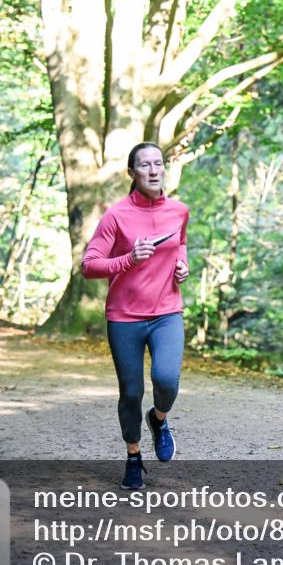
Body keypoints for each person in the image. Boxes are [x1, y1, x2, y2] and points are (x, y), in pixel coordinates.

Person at [82, 142, 190, 490]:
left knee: (167, 380)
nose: (154, 170)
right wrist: (128, 259)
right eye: (145, 165)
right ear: (132, 172)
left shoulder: (179, 211)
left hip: (167, 312)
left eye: (158, 163)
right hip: (124, 317)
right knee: (131, 392)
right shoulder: (116, 216)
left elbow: (180, 243)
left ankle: (158, 419)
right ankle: (133, 455)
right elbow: (89, 266)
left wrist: (182, 265)